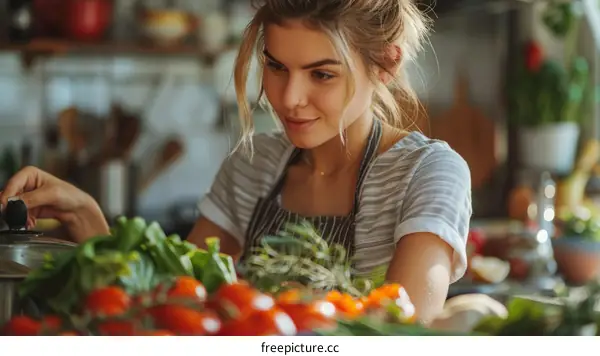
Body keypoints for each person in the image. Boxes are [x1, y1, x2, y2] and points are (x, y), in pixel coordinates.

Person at [0, 0, 472, 324]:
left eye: (322, 74)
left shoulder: (428, 174)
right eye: (276, 66)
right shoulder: (254, 164)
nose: (289, 99)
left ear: (386, 65)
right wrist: (90, 218)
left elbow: (401, 333)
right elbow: (175, 303)